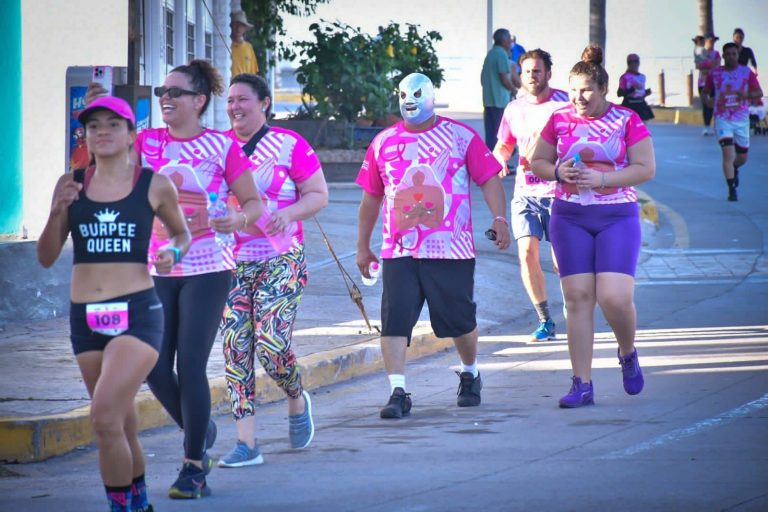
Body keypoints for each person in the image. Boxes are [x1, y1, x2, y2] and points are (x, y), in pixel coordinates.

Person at [89, 60, 264, 499]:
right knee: (150, 364)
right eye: (162, 92)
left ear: (199, 101)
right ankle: (198, 430)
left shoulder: (222, 148)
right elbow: (110, 166)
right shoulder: (145, 143)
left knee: (189, 365)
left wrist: (237, 219)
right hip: (156, 269)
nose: (165, 98)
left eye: (176, 92)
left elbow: (254, 204)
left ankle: (193, 468)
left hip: (209, 268)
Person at [37, 96, 191, 512]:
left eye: (113, 125)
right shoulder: (70, 183)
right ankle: (139, 501)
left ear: (130, 135)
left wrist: (172, 255)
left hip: (137, 314)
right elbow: (46, 256)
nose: (102, 132)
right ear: (84, 136)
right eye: (93, 126)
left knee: (103, 418)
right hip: (84, 318)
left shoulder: (154, 184)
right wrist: (56, 212)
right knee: (121, 423)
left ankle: (123, 507)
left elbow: (182, 234)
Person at [356, 72, 510, 419]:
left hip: (450, 248)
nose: (409, 101)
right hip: (399, 249)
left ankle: (470, 372)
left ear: (430, 95)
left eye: (416, 94)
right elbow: (371, 199)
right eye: (403, 95)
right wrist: (362, 246)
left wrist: (499, 219)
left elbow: (489, 179)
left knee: (460, 320)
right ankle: (398, 391)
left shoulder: (460, 137)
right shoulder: (383, 142)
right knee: (394, 319)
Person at [530, 45, 656, 408]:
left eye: (585, 90)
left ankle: (627, 351)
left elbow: (645, 168)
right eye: (572, 90)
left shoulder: (625, 120)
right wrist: (556, 171)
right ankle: (581, 384)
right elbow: (537, 160)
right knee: (578, 299)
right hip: (569, 216)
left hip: (617, 215)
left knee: (614, 297)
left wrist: (603, 180)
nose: (578, 98)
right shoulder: (558, 119)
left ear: (603, 89)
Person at [217, 73, 329, 467]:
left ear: (264, 103)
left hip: (281, 258)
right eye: (230, 100)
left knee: (272, 344)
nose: (234, 107)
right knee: (235, 348)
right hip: (230, 263)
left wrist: (287, 214)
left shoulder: (289, 145)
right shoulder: (218, 147)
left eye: (243, 99)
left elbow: (318, 194)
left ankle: (297, 397)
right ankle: (247, 443)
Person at [493, 48, 568, 342]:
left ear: (548, 73)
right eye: (526, 72)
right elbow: (504, 145)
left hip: (559, 193)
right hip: (526, 193)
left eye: (537, 71)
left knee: (562, 263)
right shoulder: (513, 108)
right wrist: (499, 159)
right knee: (526, 253)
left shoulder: (565, 104)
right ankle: (545, 319)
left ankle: (574, 310)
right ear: (520, 75)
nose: (532, 76)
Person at [702, 42, 763, 202]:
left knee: (742, 157)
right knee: (727, 153)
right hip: (722, 119)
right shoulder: (715, 74)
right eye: (727, 54)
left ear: (738, 55)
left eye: (733, 54)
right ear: (723, 56)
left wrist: (746, 96)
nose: (730, 56)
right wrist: (707, 102)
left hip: (741, 119)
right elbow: (706, 92)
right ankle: (731, 189)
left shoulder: (746, 72)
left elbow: (759, 92)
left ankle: (735, 168)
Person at [481, 28, 521, 150]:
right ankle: (499, 164)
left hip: (489, 100)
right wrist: (515, 91)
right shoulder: (501, 54)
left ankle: (491, 163)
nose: (510, 41)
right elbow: (504, 77)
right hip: (499, 101)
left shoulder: (491, 53)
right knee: (501, 135)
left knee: (491, 134)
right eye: (509, 38)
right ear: (504, 41)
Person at [695, 33, 721, 136]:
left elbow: (717, 65)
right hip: (702, 83)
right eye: (710, 41)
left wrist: (706, 66)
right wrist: (710, 66)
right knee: (706, 105)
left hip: (713, 82)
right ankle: (706, 126)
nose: (712, 43)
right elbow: (698, 65)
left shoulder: (716, 53)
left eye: (713, 41)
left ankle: (715, 125)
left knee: (713, 104)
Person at [617, 53, 654, 121]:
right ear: (628, 64)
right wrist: (632, 89)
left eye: (636, 62)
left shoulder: (642, 77)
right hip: (629, 104)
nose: (634, 64)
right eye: (631, 62)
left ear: (638, 63)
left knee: (642, 127)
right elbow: (619, 93)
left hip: (641, 104)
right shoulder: (625, 77)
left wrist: (645, 92)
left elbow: (639, 93)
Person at [231, 11, 259, 76]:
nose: (238, 28)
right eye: (236, 24)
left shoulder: (249, 47)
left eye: (241, 25)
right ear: (231, 26)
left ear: (245, 28)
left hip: (245, 84)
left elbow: (253, 74)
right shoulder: (227, 45)